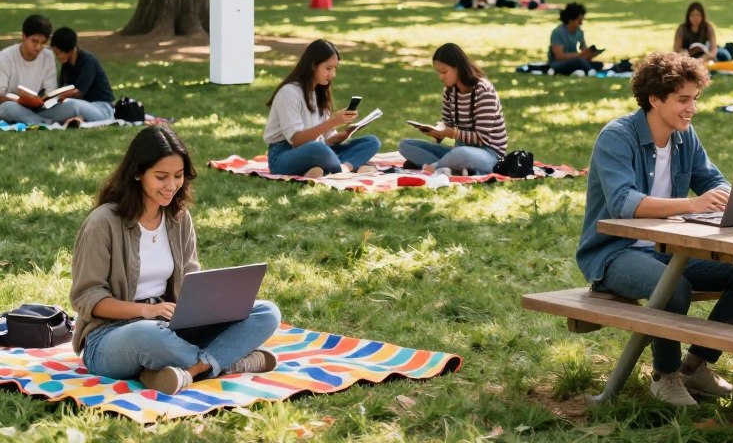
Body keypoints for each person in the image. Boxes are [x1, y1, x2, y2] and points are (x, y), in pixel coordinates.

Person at [576, 52, 733, 407]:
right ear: (654, 99)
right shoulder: (617, 137)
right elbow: (624, 202)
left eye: (695, 99)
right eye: (683, 99)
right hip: (614, 253)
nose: (691, 108)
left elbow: (712, 180)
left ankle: (695, 366)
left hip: (666, 251)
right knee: (674, 288)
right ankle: (665, 376)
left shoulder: (685, 136)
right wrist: (692, 205)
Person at [70, 126, 281, 395]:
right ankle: (226, 361)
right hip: (113, 335)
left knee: (267, 312)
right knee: (150, 336)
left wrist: (211, 307)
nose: (171, 186)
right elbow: (87, 297)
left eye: (178, 176)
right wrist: (145, 311)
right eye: (161, 177)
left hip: (172, 324)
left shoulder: (178, 219)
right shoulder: (103, 223)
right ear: (137, 173)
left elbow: (191, 279)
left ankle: (185, 371)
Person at [264, 39, 380, 179]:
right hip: (284, 156)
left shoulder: (319, 92)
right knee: (318, 149)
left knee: (371, 142)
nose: (333, 75)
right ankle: (347, 167)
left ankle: (325, 169)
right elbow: (296, 141)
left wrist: (344, 135)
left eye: (335, 68)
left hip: (319, 151)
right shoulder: (289, 93)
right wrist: (332, 122)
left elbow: (327, 140)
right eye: (328, 68)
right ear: (313, 65)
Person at [398, 43, 507, 175]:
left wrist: (452, 133)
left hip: (488, 154)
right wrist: (437, 133)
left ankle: (435, 167)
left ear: (459, 68)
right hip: (458, 150)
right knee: (406, 145)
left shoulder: (483, 91)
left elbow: (482, 138)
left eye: (444, 72)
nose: (441, 77)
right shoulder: (449, 92)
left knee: (461, 153)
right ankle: (454, 169)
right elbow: (448, 127)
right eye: (439, 72)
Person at [43, 27, 116, 124]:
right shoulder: (67, 64)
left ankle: (75, 118)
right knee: (65, 105)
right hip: (83, 105)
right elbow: (63, 87)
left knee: (72, 104)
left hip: (101, 107)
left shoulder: (88, 61)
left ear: (68, 50)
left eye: (58, 53)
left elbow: (78, 92)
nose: (57, 57)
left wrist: (56, 97)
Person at [0, 14, 58, 124]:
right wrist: (20, 101)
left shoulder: (48, 56)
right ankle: (42, 122)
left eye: (43, 43)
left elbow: (51, 90)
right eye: (34, 41)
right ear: (24, 36)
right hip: (12, 106)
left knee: (71, 105)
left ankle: (39, 120)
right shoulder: (5, 57)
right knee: (9, 107)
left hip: (40, 108)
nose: (38, 47)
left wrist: (43, 102)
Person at [548, 3, 604, 76]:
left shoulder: (579, 32)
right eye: (578, 21)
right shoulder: (558, 33)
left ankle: (582, 70)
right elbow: (559, 56)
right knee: (579, 62)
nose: (580, 24)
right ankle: (590, 71)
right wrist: (579, 55)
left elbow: (584, 49)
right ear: (570, 19)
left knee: (599, 64)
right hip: (559, 63)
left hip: (576, 60)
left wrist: (590, 53)